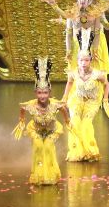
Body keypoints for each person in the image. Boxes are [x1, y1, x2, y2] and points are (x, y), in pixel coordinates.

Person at [13, 56, 72, 185]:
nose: (42, 96)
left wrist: (67, 121)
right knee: (39, 147)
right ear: (36, 93)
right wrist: (21, 121)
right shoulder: (31, 105)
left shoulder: (55, 104)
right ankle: (39, 175)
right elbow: (22, 108)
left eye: (45, 93)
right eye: (39, 93)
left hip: (52, 131)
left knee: (48, 147)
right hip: (36, 130)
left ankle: (50, 175)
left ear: (49, 92)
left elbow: (63, 109)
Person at [61, 28, 109, 162]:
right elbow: (69, 83)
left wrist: (105, 100)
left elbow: (106, 84)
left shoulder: (97, 74)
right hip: (77, 99)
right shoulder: (73, 72)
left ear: (90, 60)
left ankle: (89, 151)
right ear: (77, 61)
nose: (83, 63)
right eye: (81, 61)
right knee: (75, 122)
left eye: (86, 60)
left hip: (92, 102)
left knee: (86, 124)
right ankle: (77, 151)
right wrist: (65, 98)